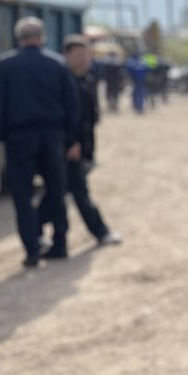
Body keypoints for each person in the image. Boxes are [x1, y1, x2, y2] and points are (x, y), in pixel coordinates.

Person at [0, 17, 79, 269]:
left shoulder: (4, 66)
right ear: (42, 37)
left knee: (22, 195)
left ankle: (32, 249)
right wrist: (70, 138)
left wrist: (4, 134)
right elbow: (72, 105)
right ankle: (60, 243)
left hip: (19, 137)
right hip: (53, 135)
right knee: (56, 190)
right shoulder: (57, 64)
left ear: (18, 38)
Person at [39, 36, 122, 248]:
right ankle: (100, 231)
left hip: (80, 147)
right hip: (67, 148)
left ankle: (34, 227)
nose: (83, 60)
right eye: (78, 55)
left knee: (59, 192)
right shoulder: (62, 82)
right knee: (77, 191)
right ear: (65, 56)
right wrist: (71, 143)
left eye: (86, 55)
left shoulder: (87, 80)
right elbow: (64, 118)